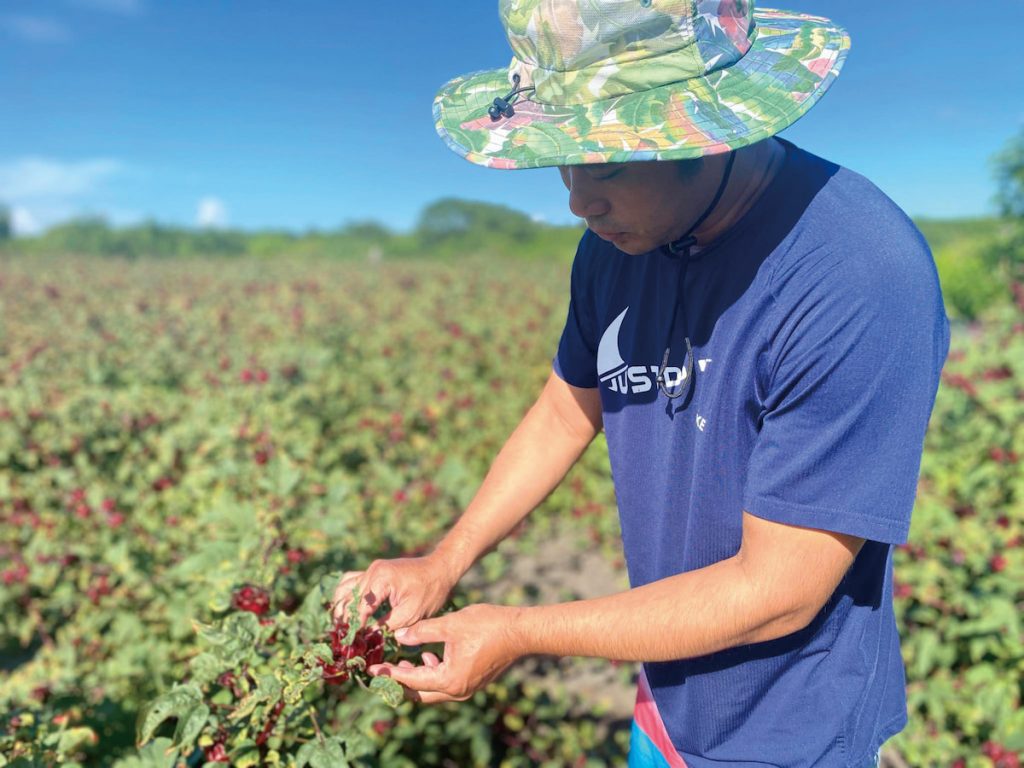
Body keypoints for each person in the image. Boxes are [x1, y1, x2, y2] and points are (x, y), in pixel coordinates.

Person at [333, 2, 950, 766]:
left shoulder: (856, 272)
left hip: (791, 729)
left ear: (708, 131)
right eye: (564, 157)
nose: (577, 201)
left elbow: (779, 590)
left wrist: (521, 630)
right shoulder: (616, 245)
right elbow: (566, 410)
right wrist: (445, 560)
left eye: (609, 163)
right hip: (664, 686)